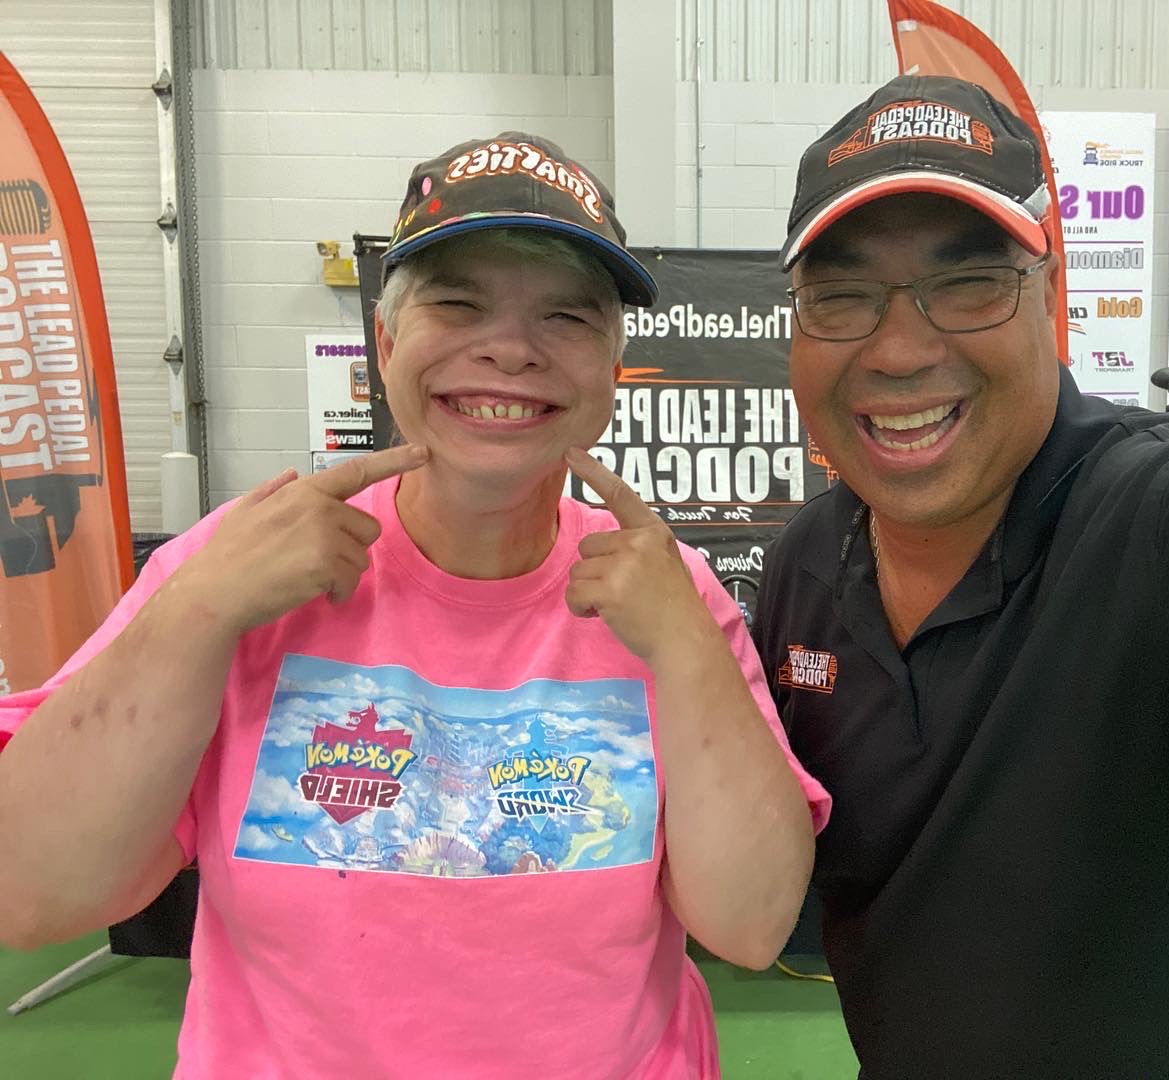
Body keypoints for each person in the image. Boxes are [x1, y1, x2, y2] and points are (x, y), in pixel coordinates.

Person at [0, 131, 829, 1078]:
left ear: (611, 370)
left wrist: (685, 650)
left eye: (566, 317)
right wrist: (198, 614)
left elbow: (751, 926)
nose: (510, 349)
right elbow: (32, 892)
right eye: (457, 304)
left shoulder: (665, 594)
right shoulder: (236, 567)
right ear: (387, 342)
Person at [754, 74, 1169, 1079]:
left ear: (1048, 298)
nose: (897, 348)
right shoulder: (804, 570)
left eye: (969, 281)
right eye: (841, 295)